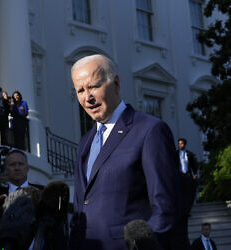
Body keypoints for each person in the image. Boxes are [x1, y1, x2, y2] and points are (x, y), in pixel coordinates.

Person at [69, 54, 179, 250]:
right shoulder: (85, 141)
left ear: (116, 83)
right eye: (80, 90)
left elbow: (165, 208)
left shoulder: (150, 130)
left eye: (94, 86)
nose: (88, 97)